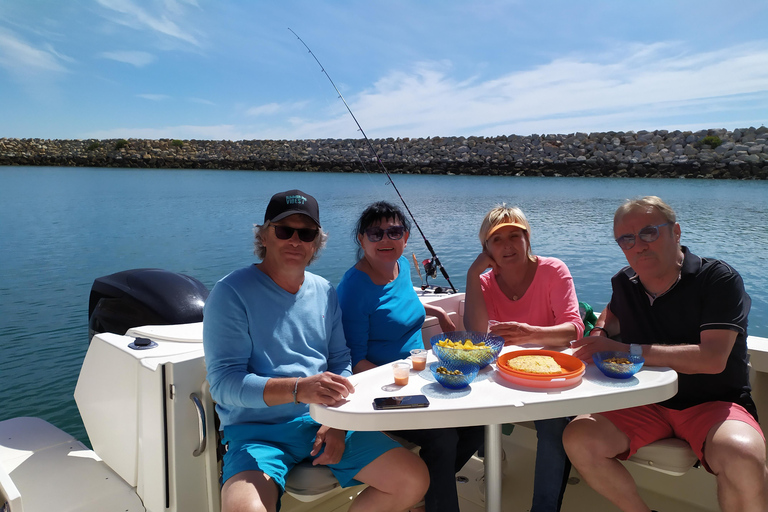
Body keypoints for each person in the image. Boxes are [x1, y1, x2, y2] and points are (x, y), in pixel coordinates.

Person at [203, 190, 429, 512]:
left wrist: (336, 421)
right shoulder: (231, 293)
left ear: (316, 243)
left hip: (322, 419)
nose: (295, 240)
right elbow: (224, 384)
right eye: (284, 231)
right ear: (264, 235)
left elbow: (341, 361)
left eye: (306, 233)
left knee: (413, 479)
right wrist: (299, 389)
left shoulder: (324, 292)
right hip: (257, 434)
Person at [563, 196, 768, 512]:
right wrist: (600, 332)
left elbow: (712, 359)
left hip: (712, 403)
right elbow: (612, 312)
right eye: (627, 239)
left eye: (649, 232)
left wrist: (626, 350)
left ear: (676, 232)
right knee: (578, 437)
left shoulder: (717, 279)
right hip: (646, 402)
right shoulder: (625, 282)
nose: (639, 246)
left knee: (743, 456)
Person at [336, 200, 483, 512]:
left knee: (480, 421)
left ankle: (423, 492)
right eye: (375, 234)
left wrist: (437, 310)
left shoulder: (399, 268)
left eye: (394, 232)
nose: (386, 240)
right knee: (442, 439)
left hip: (421, 378)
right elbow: (354, 360)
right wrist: (400, 383)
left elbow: (398, 305)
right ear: (361, 240)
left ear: (405, 237)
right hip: (383, 391)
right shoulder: (354, 288)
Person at [463, 204, 584, 512]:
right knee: (462, 396)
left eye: (514, 236)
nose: (508, 245)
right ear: (486, 248)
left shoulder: (553, 270)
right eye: (497, 239)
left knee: (553, 425)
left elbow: (574, 329)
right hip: (506, 375)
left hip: (551, 376)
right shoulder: (486, 282)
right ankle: (489, 458)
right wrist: (473, 274)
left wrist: (530, 333)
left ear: (527, 238)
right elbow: (477, 335)